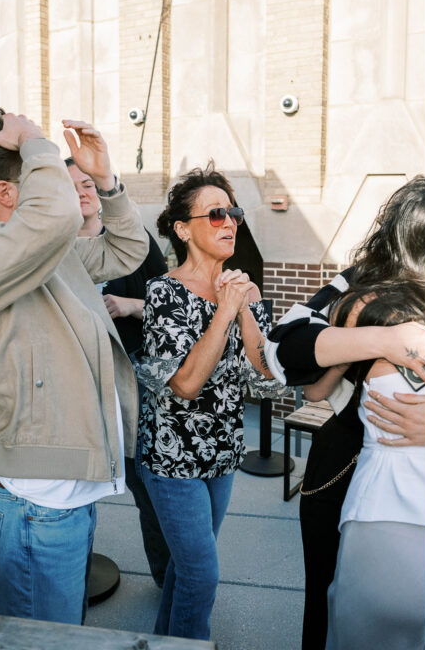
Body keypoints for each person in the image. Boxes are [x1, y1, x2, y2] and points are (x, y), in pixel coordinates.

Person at [0, 111, 148, 624]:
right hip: (35, 510)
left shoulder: (45, 254)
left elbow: (127, 248)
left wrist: (108, 181)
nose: (66, 193)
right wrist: (34, 140)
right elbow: (55, 218)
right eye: (38, 177)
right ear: (7, 194)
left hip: (64, 503)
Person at [135, 164, 271, 640]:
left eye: (232, 212)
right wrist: (225, 311)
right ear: (182, 229)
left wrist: (244, 306)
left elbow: (265, 370)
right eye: (215, 214)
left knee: (186, 568)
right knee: (201, 574)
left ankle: (163, 638)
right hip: (172, 459)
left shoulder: (241, 286)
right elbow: (186, 384)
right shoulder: (163, 293)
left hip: (223, 454)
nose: (230, 221)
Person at [263, 265, 425, 650]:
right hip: (339, 470)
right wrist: (366, 343)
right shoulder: (372, 300)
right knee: (326, 601)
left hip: (401, 489)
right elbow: (314, 393)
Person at [299, 177, 425, 649]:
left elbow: (314, 388)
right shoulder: (366, 307)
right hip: (376, 493)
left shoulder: (362, 305)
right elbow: (317, 386)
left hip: (384, 510)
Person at [66, 157, 172, 586]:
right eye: (71, 185)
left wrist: (130, 306)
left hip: (132, 387)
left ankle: (168, 579)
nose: (83, 192)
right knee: (72, 493)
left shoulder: (133, 241)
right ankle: (75, 574)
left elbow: (171, 307)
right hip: (76, 389)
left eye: (88, 183)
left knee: (146, 486)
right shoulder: (50, 252)